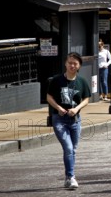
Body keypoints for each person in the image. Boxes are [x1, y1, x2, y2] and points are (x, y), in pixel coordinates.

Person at [46, 53, 91, 189]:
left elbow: (86, 99)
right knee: (69, 148)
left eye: (75, 64)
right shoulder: (56, 80)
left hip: (75, 120)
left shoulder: (82, 81)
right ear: (65, 64)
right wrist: (58, 107)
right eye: (70, 62)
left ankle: (67, 177)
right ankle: (71, 177)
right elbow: (49, 97)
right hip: (59, 119)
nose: (72, 65)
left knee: (73, 150)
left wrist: (76, 108)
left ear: (79, 66)